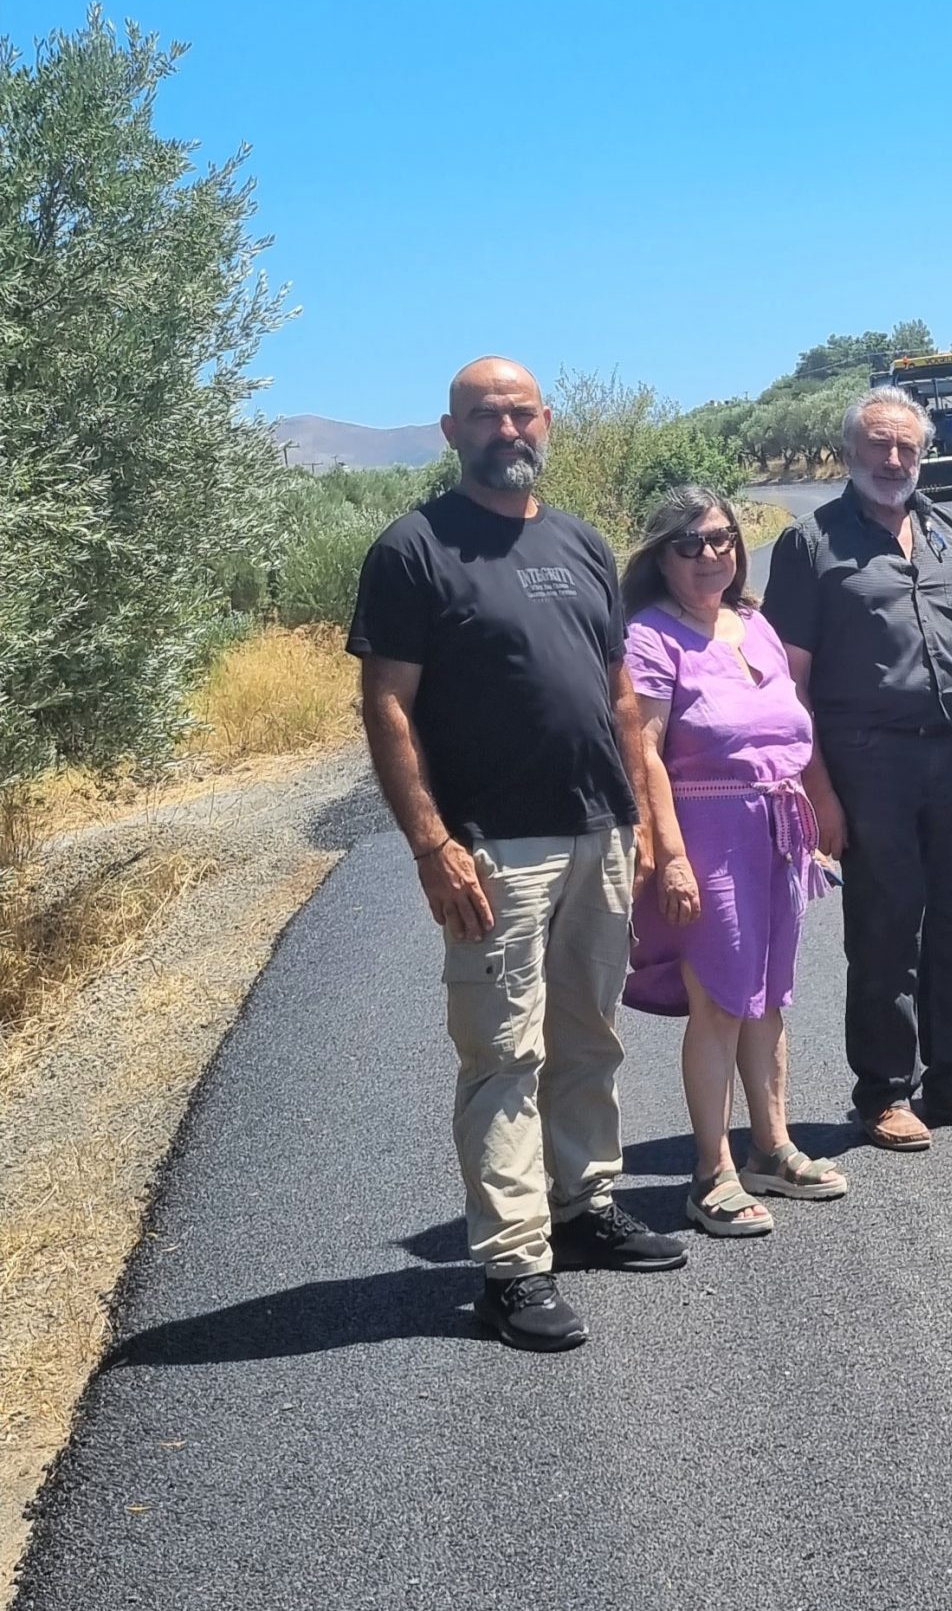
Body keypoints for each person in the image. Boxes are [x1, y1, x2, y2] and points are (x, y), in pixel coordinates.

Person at [347, 356, 687, 1355]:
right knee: (503, 1054)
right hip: (494, 847)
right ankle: (511, 1266)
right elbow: (387, 704)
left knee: (589, 1035)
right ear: (451, 431)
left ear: (546, 423)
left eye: (521, 412)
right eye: (485, 414)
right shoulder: (414, 548)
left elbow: (618, 695)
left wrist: (641, 820)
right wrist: (430, 844)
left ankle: (582, 1208)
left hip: (599, 831)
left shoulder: (580, 542)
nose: (506, 428)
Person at [763, 384, 952, 1151]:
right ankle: (885, 1090)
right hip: (866, 760)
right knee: (885, 925)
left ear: (923, 452)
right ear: (850, 452)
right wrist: (818, 789)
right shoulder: (810, 545)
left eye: (905, 446)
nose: (892, 459)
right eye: (878, 445)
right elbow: (791, 682)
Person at [621, 487, 848, 1238]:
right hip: (706, 829)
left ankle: (771, 1148)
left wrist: (816, 805)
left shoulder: (754, 623)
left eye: (722, 538)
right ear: (661, 556)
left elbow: (792, 724)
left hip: (777, 826)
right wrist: (670, 855)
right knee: (718, 999)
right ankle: (710, 1171)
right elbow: (643, 752)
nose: (710, 554)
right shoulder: (649, 636)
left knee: (768, 994)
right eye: (689, 543)